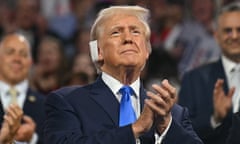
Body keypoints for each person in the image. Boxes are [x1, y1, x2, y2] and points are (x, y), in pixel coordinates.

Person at [43, 5, 203, 144]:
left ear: (147, 51)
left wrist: (166, 127)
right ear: (98, 52)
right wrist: (134, 130)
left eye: (135, 32)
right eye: (116, 33)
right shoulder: (68, 102)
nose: (128, 38)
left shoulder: (173, 114)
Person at [178, 2, 240, 144]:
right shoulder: (193, 79)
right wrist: (215, 119)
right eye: (228, 30)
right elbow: (182, 134)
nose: (235, 36)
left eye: (239, 29)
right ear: (216, 35)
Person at [0, 33, 46, 144]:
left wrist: (32, 139)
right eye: (10, 52)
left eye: (24, 54)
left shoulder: (46, 105)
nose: (17, 59)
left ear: (31, 62)